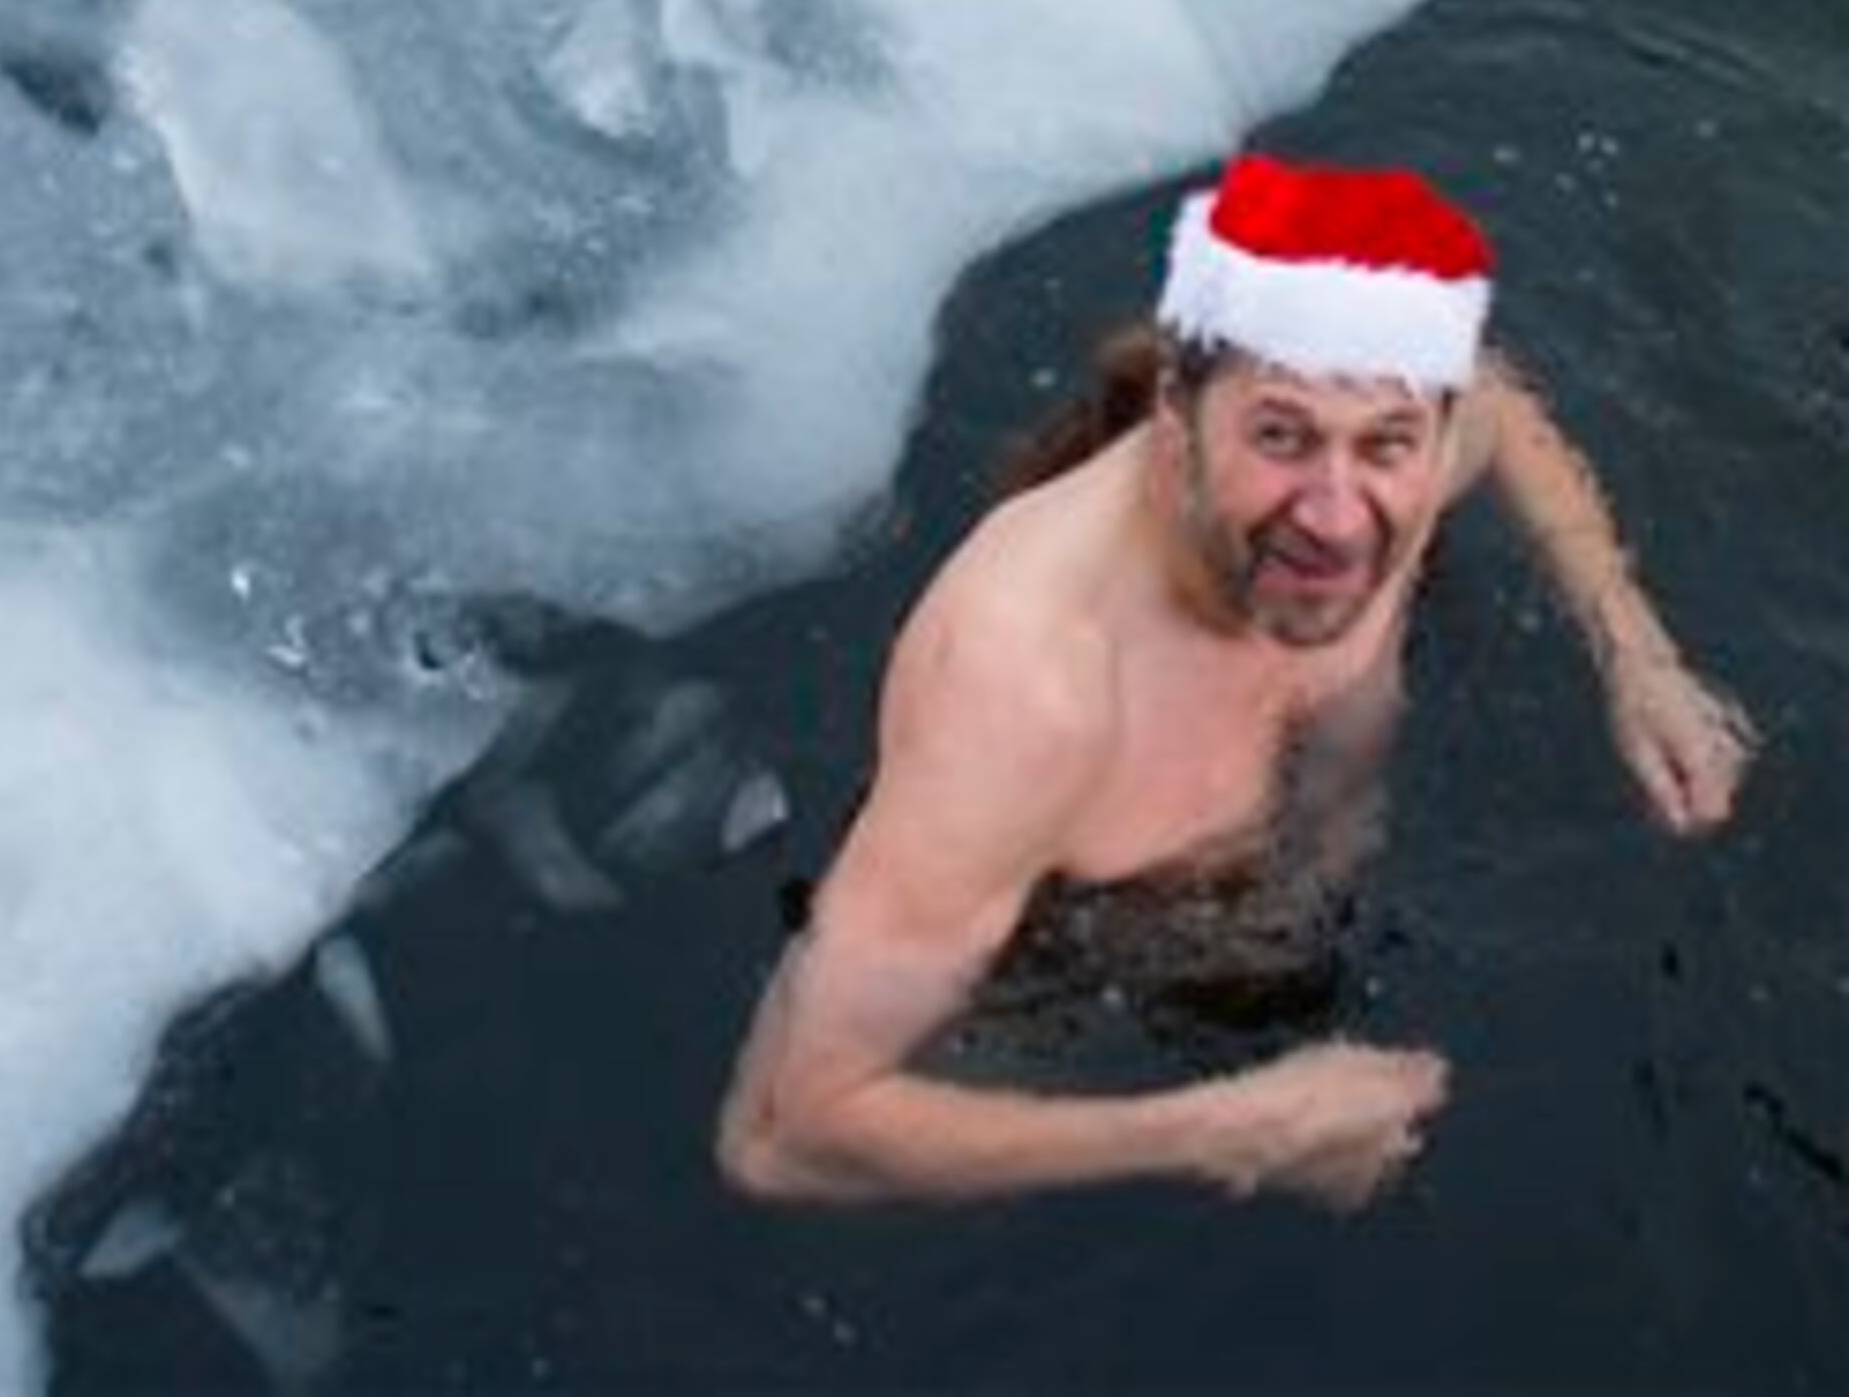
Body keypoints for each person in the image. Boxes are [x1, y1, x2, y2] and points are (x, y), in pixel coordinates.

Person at [714, 153, 1757, 1209]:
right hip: (1077, 967)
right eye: (1280, 433)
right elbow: (783, 1135)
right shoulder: (1029, 681)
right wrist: (1236, 1127)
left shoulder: (1413, 431)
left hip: (1310, 902)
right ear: (1178, 417)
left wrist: (1637, 653)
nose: (1338, 517)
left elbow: (1502, 403)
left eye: (1387, 444)